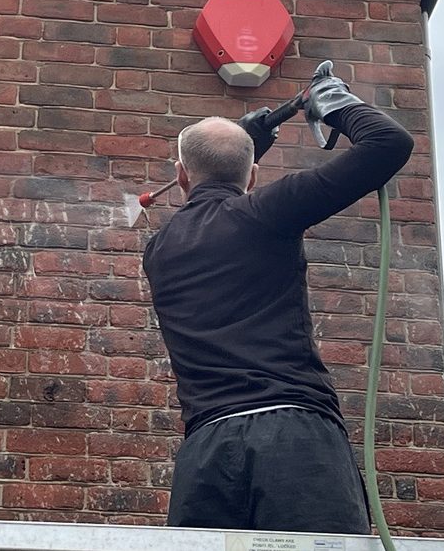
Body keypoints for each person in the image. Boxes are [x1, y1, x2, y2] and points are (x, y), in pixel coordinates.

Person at [142, 61, 413, 534]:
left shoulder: (159, 250)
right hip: (294, 441)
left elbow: (216, 200)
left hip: (207, 455)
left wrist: (241, 149)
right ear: (252, 178)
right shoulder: (265, 212)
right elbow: (388, 144)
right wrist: (334, 102)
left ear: (180, 175)